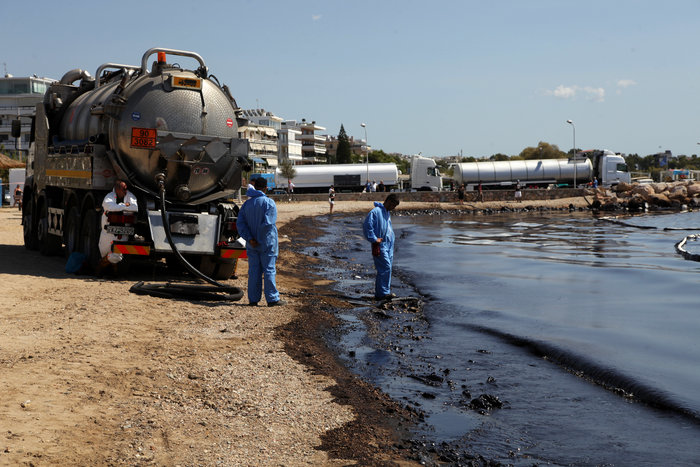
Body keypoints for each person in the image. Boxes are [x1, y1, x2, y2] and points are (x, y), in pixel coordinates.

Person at [237, 177, 285, 307]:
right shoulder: (269, 203)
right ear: (265, 188)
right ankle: (272, 299)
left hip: (252, 244)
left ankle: (253, 299)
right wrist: (259, 239)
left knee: (253, 271)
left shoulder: (247, 204)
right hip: (266, 243)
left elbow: (240, 224)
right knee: (269, 269)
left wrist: (250, 238)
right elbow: (268, 224)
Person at [363, 193, 400, 300]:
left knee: (387, 268)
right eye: (393, 205)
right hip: (380, 245)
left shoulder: (387, 213)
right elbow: (367, 226)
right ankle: (382, 293)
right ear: (389, 201)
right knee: (385, 267)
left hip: (389, 245)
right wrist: (374, 239)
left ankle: (383, 292)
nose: (394, 208)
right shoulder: (376, 212)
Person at [98, 180, 138, 270]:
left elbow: (134, 208)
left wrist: (119, 207)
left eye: (125, 189)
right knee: (105, 253)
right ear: (117, 190)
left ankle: (113, 272)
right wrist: (124, 206)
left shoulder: (130, 195)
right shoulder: (109, 197)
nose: (125, 191)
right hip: (107, 233)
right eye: (123, 189)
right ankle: (102, 269)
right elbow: (109, 207)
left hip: (123, 231)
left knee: (117, 255)